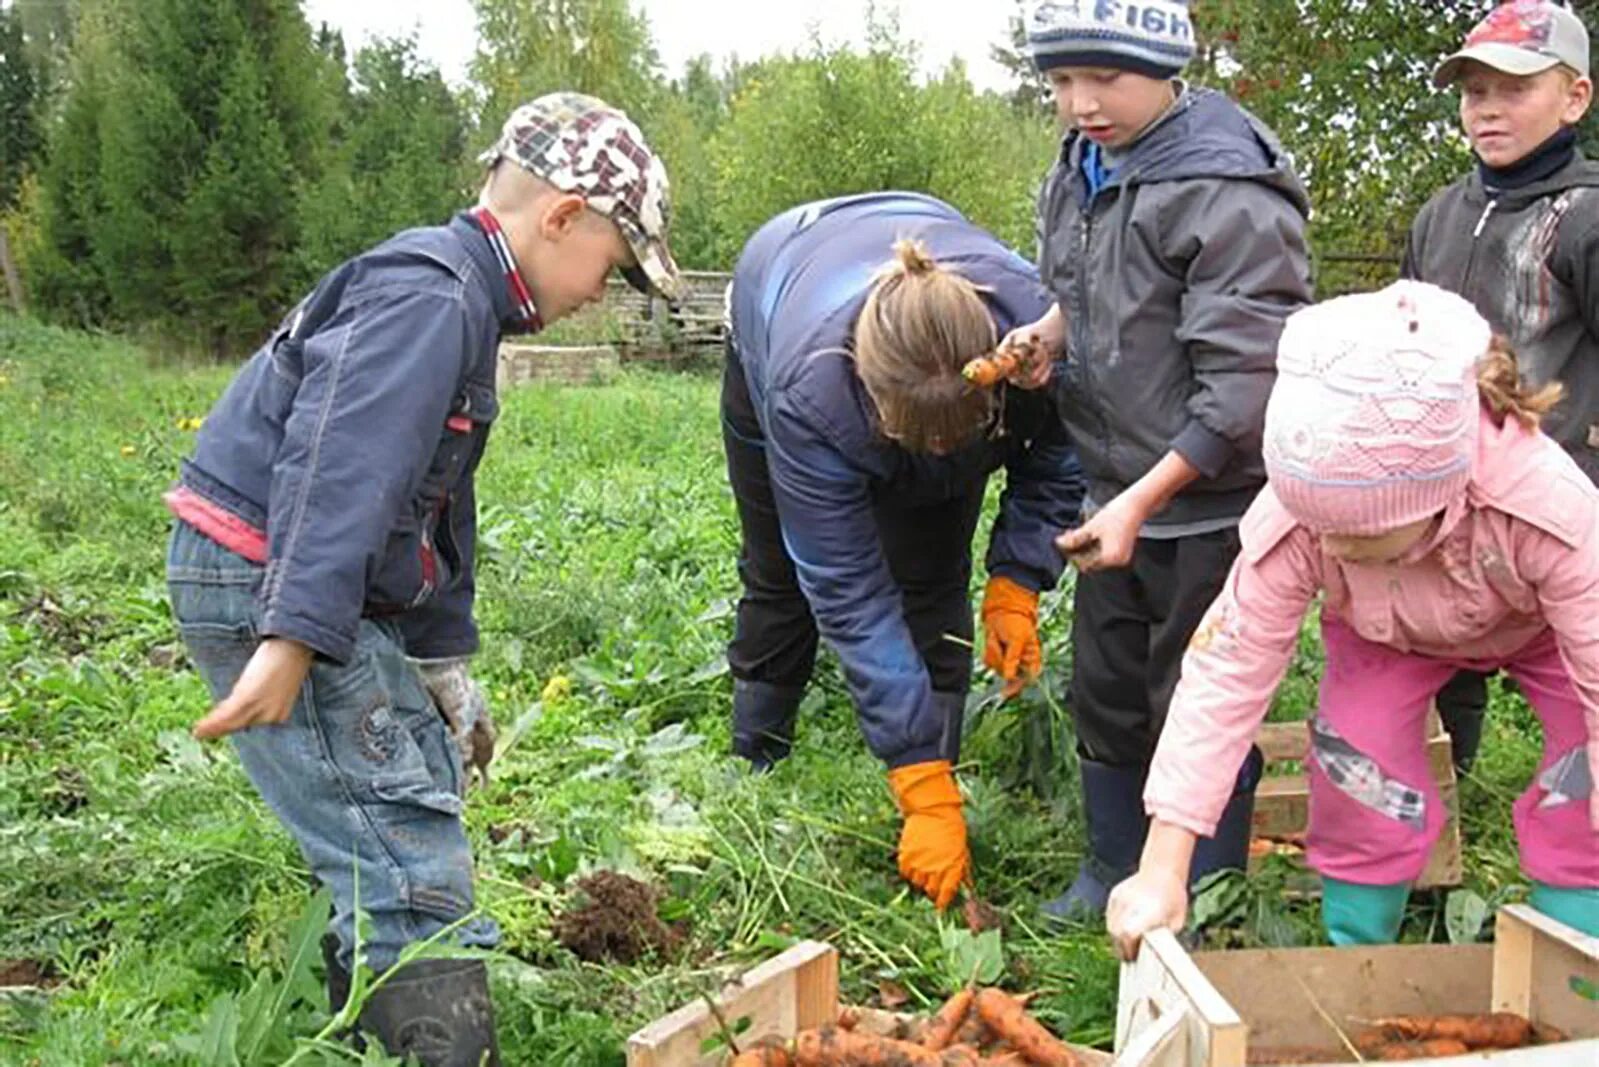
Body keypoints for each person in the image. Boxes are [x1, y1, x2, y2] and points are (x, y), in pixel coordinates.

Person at [163, 92, 682, 1066]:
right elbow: (341, 464)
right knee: (409, 852)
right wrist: (294, 636)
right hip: (272, 576)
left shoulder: (465, 302)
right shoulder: (433, 295)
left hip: (307, 582)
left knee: (411, 789)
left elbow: (432, 500)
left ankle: (364, 1034)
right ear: (563, 216)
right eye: (610, 272)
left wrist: (441, 662)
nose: (599, 297)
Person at [1106, 281, 1599, 960]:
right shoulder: (1300, 518)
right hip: (1384, 636)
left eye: (1357, 538)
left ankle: (1579, 963)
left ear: (1432, 497)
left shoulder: (1543, 506)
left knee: (1582, 782)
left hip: (1541, 629)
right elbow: (1227, 670)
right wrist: (1162, 862)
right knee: (1358, 772)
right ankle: (1358, 962)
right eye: (1319, 529)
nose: (1330, 547)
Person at [1010, 0, 1313, 919]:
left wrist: (1141, 502)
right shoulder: (1083, 168)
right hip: (1114, 489)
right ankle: (1111, 865)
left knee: (1197, 695)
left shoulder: (1227, 192)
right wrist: (1049, 333)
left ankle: (1209, 887)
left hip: (1208, 502)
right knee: (1105, 690)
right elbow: (1091, 288)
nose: (1080, 103)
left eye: (1105, 78)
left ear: (1168, 68)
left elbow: (1241, 389)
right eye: (1062, 81)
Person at [723, 191, 1084, 910]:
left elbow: (1062, 454)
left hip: (930, 318)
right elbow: (849, 591)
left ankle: (936, 762)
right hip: (777, 284)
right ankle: (755, 760)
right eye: (920, 438)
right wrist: (914, 785)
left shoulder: (1038, 344)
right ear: (870, 392)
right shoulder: (811, 392)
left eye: (962, 434)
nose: (945, 451)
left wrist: (1017, 578)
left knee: (930, 576)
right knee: (780, 573)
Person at [1405, 0, 1598, 772]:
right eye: (1473, 91)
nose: (1487, 109)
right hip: (1444, 488)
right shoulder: (1438, 215)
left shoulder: (1584, 216)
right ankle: (1443, 810)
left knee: (1573, 666)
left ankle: (1576, 831)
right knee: (1441, 645)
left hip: (1558, 498)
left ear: (1574, 97)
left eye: (1513, 89)